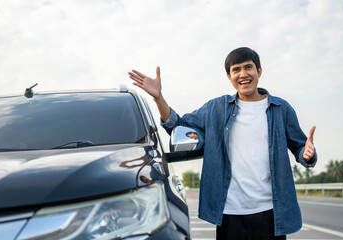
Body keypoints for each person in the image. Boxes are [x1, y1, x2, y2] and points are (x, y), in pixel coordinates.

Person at [129, 47, 317, 240]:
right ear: (229, 76)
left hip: (270, 212)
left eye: (248, 68)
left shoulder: (281, 108)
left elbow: (299, 145)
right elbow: (179, 126)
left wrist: (306, 152)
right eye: (236, 70)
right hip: (230, 212)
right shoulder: (216, 108)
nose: (243, 74)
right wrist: (158, 98)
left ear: (259, 71)